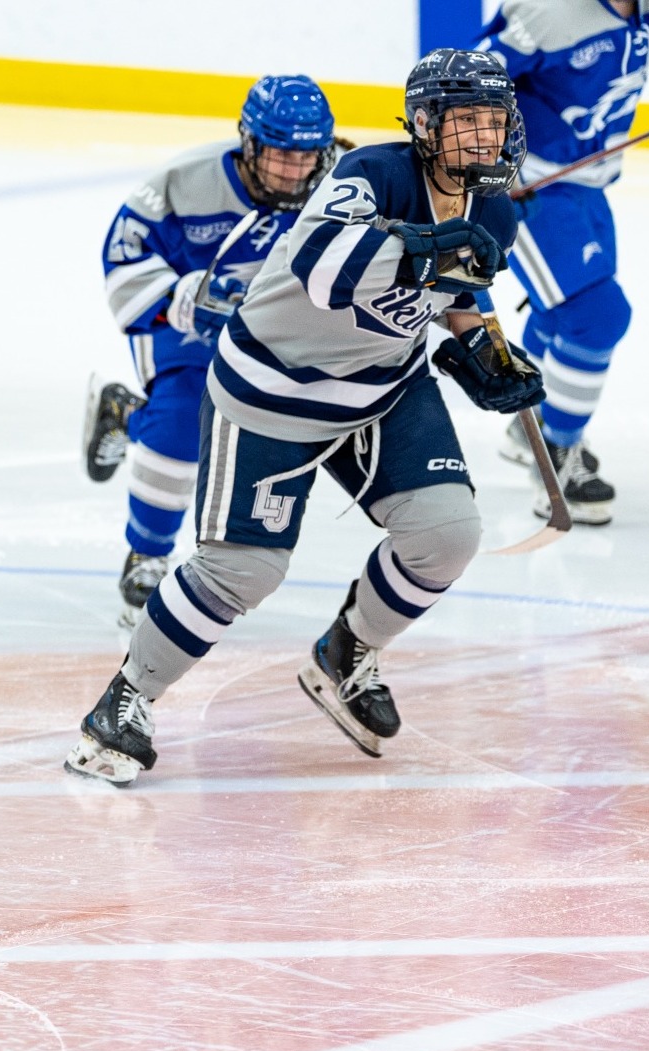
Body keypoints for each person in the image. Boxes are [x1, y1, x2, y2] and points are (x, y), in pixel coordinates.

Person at [65, 50, 547, 787]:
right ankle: (124, 701)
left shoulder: (494, 206)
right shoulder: (369, 177)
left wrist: (483, 349)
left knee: (448, 534)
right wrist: (428, 247)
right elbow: (323, 270)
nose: (485, 140)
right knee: (242, 572)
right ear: (422, 126)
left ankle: (345, 654)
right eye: (465, 124)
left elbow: (458, 294)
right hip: (271, 395)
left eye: (494, 122)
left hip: (382, 389)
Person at [84, 76, 341, 625]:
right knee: (182, 421)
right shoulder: (181, 184)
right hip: (187, 328)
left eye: (307, 157)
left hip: (282, 333)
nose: (294, 171)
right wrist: (185, 296)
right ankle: (148, 553)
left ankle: (127, 415)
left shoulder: (344, 184)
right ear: (248, 142)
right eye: (280, 155)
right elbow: (123, 255)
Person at [477, 0, 649, 525]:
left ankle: (527, 424)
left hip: (588, 180)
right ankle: (554, 452)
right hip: (527, 185)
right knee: (597, 315)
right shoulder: (547, 11)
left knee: (560, 313)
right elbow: (468, 83)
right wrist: (486, 174)